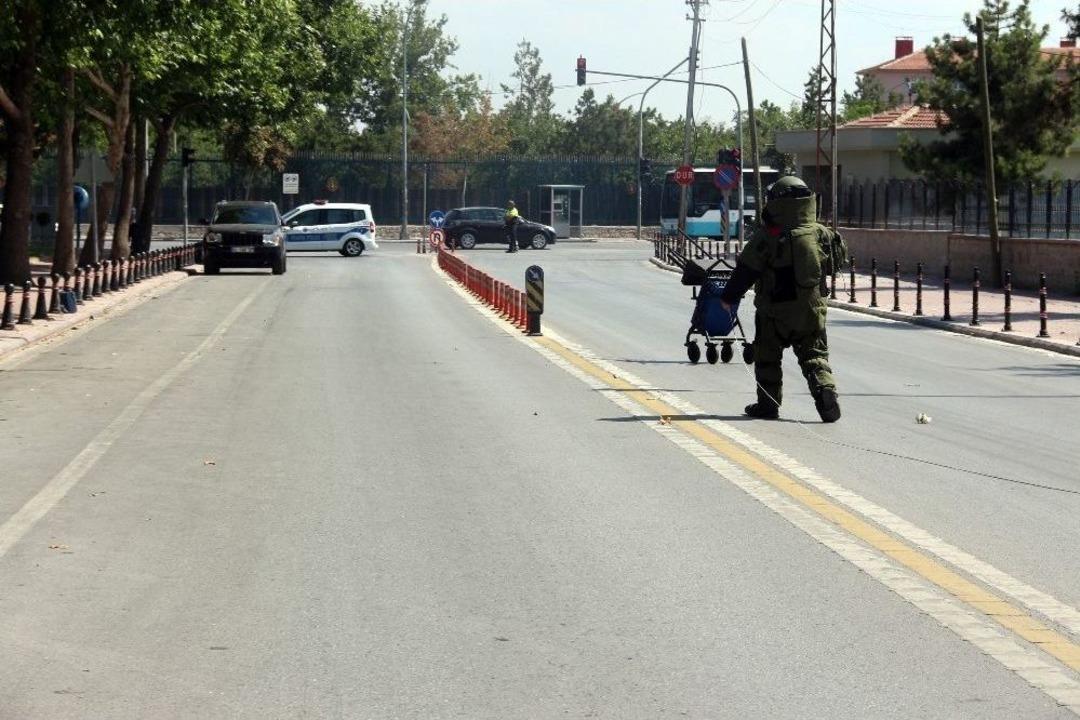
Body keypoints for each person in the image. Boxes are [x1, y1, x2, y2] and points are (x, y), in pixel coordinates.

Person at [719, 175, 846, 423]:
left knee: (767, 357)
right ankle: (825, 391)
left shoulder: (769, 235)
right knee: (815, 355)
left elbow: (746, 269)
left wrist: (729, 297)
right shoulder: (821, 233)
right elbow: (837, 262)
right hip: (812, 310)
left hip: (774, 312)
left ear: (777, 202)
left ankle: (768, 405)